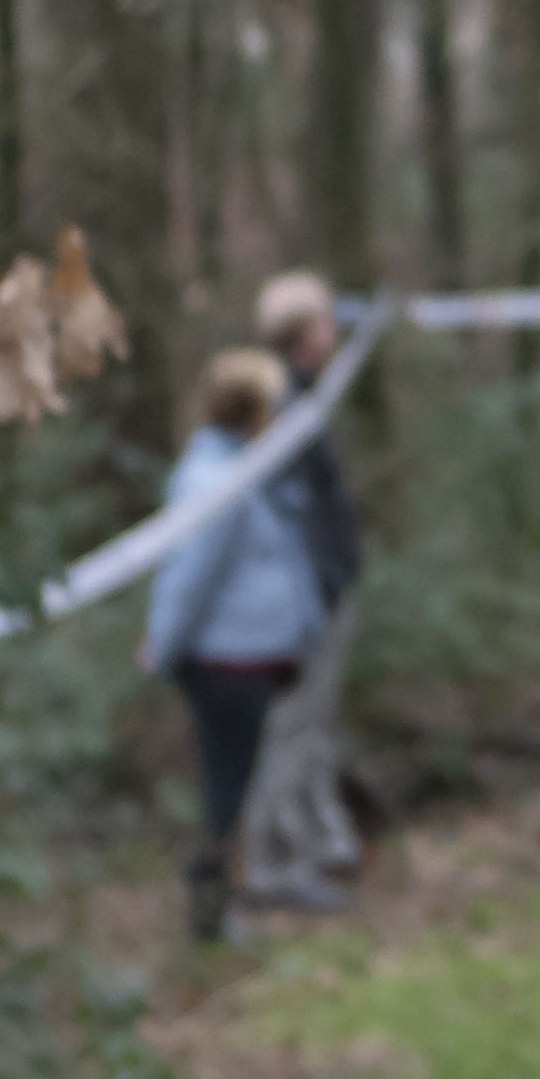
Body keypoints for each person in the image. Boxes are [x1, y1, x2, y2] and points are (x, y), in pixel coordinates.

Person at [140, 347, 327, 945]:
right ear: (253, 408)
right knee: (226, 789)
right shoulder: (214, 481)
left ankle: (228, 904)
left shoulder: (249, 469)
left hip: (253, 659)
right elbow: (188, 576)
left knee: (238, 786)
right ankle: (214, 911)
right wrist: (164, 645)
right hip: (225, 664)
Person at [237, 271, 363, 916]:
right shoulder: (279, 403)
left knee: (314, 726)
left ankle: (316, 845)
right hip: (301, 600)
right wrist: (306, 590)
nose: (333, 331)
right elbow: (282, 514)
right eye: (325, 320)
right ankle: (273, 864)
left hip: (326, 591)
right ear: (306, 331)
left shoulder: (307, 395)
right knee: (289, 728)